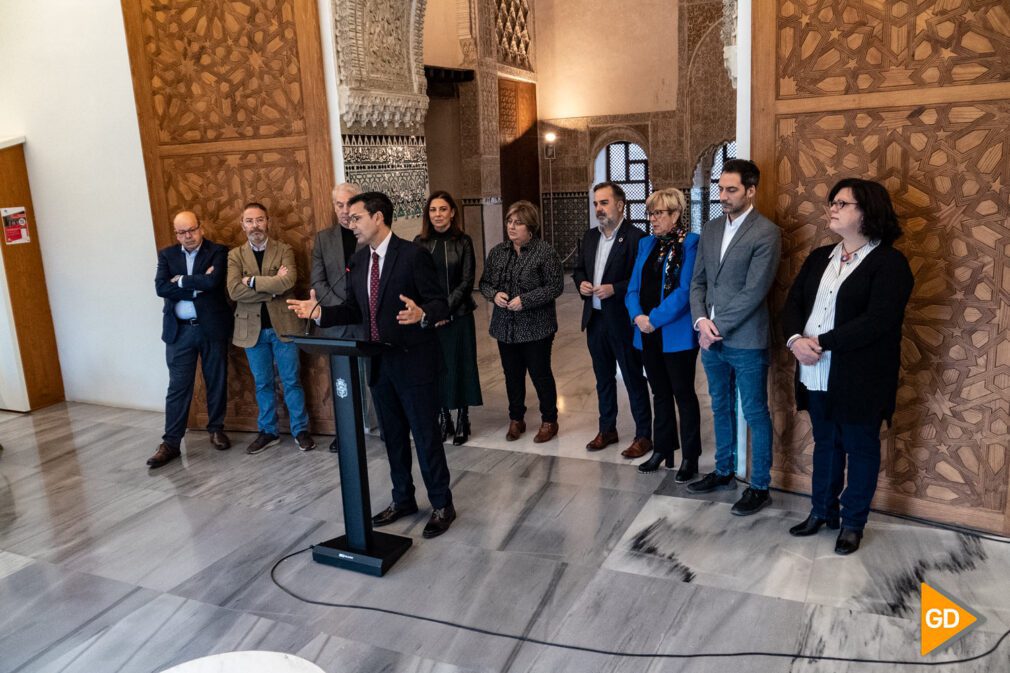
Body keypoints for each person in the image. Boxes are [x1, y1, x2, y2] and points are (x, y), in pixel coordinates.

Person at [287, 192, 457, 538]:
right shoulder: (359, 261)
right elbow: (353, 309)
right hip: (379, 363)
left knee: (425, 438)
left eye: (357, 218)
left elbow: (441, 303)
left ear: (378, 217)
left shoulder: (413, 255)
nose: (351, 224)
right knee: (393, 439)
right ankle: (403, 499)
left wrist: (423, 314)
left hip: (415, 364)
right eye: (348, 219)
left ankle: (442, 504)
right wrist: (319, 312)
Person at [782, 178, 913, 554]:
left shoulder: (890, 262)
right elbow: (793, 304)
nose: (833, 208)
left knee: (860, 446)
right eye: (832, 202)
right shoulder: (819, 255)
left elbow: (878, 321)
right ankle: (822, 511)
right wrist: (795, 341)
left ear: (867, 212)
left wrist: (821, 343)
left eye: (843, 203)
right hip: (814, 370)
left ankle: (853, 522)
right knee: (826, 442)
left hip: (861, 377)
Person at [688, 159, 781, 516]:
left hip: (745, 340)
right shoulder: (710, 229)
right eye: (720, 189)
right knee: (719, 404)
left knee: (755, 411)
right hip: (710, 339)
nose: (723, 196)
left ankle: (760, 486)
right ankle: (724, 471)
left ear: (751, 190)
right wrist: (700, 321)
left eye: (731, 190)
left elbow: (755, 291)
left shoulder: (766, 232)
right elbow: (698, 282)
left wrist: (717, 326)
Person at [227, 202, 316, 454]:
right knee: (262, 383)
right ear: (242, 225)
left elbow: (288, 283)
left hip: (284, 327)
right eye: (249, 221)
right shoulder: (235, 255)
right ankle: (268, 431)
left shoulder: (284, 249)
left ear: (268, 222)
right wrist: (272, 286)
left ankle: (300, 430)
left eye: (259, 220)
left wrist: (253, 282)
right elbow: (234, 290)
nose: (255, 225)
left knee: (292, 381)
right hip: (252, 330)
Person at [572, 182, 652, 457]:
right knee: (603, 378)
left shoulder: (636, 238)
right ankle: (607, 429)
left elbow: (641, 281)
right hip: (595, 319)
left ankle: (644, 435)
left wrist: (614, 289)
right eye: (596, 203)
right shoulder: (590, 236)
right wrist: (582, 282)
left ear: (620, 205)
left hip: (622, 320)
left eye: (604, 203)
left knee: (632, 377)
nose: (598, 208)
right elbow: (579, 269)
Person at [626, 189, 701, 480]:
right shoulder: (646, 244)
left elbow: (685, 291)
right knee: (659, 392)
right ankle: (663, 448)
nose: (652, 219)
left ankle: (690, 458)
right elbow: (633, 287)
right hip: (645, 331)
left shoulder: (691, 243)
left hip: (675, 334)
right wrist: (637, 317)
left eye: (659, 213)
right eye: (651, 213)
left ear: (675, 214)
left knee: (683, 394)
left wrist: (654, 319)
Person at [148, 211, 233, 469]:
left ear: (201, 228)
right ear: (176, 234)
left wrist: (183, 281)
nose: (188, 236)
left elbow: (213, 282)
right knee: (178, 387)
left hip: (211, 328)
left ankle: (216, 429)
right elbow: (161, 287)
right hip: (179, 331)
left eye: (192, 230)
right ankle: (171, 442)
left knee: (215, 380)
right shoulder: (167, 255)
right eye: (182, 232)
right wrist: (198, 285)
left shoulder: (218, 251)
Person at [479, 200, 564, 443]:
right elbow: (485, 283)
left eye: (518, 223)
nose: (512, 227)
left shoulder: (545, 252)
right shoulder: (498, 252)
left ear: (531, 227)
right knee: (512, 375)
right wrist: (493, 295)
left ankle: (550, 419)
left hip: (537, 327)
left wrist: (526, 300)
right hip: (505, 327)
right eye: (509, 221)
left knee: (540, 373)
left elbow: (555, 287)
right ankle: (516, 418)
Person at [414, 191, 483, 445]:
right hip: (431, 320)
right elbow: (418, 282)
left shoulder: (463, 241)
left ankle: (463, 417)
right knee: (436, 368)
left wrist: (446, 310)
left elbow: (466, 281)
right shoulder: (419, 243)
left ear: (452, 212)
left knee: (461, 366)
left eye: (443, 209)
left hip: (460, 315)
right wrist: (433, 312)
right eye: (433, 210)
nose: (438, 215)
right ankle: (444, 417)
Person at [311, 182, 366, 452]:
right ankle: (344, 431)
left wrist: (358, 305)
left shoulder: (369, 234)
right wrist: (341, 307)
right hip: (337, 323)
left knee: (373, 378)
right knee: (342, 382)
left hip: (367, 320)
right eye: (339, 205)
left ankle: (384, 428)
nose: (345, 211)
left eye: (349, 203)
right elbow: (317, 281)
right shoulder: (323, 238)